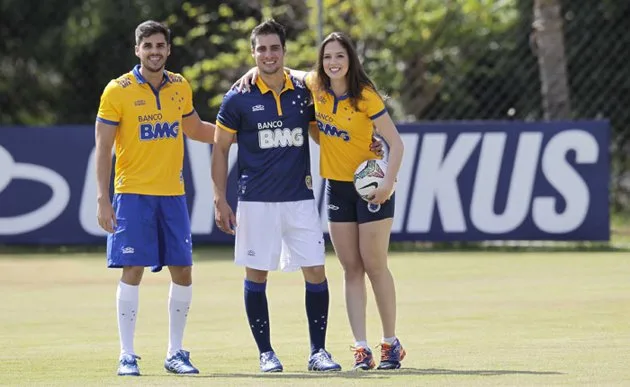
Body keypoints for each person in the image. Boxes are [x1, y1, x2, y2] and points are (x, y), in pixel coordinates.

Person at [236, 31, 406, 370]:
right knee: (350, 268)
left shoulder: (366, 96)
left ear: (350, 59)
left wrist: (387, 184)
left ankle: (390, 343)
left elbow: (396, 144)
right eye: (327, 57)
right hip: (337, 189)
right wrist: (251, 72)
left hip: (371, 188)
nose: (333, 62)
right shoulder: (316, 87)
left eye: (339, 56)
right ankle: (361, 347)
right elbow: (286, 72)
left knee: (374, 265)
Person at [211, 19, 346, 373]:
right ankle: (266, 353)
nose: (268, 55)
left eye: (274, 48)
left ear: (284, 52)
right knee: (257, 276)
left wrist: (362, 143)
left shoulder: (305, 90)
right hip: (255, 201)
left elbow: (323, 132)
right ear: (252, 52)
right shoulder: (237, 98)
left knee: (316, 272)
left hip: (300, 198)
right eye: (261, 49)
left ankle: (318, 352)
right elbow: (220, 149)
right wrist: (219, 199)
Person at [95, 20, 216, 377]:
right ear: (137, 50)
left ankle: (175, 352)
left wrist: (235, 135)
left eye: (160, 45)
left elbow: (195, 129)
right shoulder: (117, 90)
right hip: (132, 194)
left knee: (183, 270)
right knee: (132, 270)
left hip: (173, 195)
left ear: (168, 49)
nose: (155, 52)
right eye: (148, 46)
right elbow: (103, 149)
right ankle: (127, 354)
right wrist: (104, 198)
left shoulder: (180, 86)